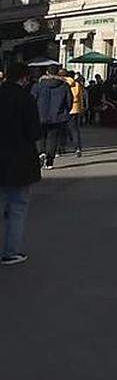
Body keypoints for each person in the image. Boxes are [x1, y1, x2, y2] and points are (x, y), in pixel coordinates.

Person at [0, 63, 41, 266]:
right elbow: (34, 132)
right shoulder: (26, 99)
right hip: (19, 161)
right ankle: (10, 252)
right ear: (24, 78)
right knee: (17, 207)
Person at [30, 66, 71, 170]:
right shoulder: (64, 86)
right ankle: (49, 161)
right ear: (58, 73)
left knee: (40, 136)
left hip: (39, 115)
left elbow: (31, 100)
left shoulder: (37, 86)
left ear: (47, 73)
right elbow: (69, 101)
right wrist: (65, 111)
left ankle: (41, 153)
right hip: (57, 116)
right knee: (52, 139)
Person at [62, 70, 86, 157]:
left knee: (62, 129)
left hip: (63, 109)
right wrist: (81, 108)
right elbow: (80, 98)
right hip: (75, 108)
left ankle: (60, 148)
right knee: (75, 129)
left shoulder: (61, 83)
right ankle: (78, 148)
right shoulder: (77, 84)